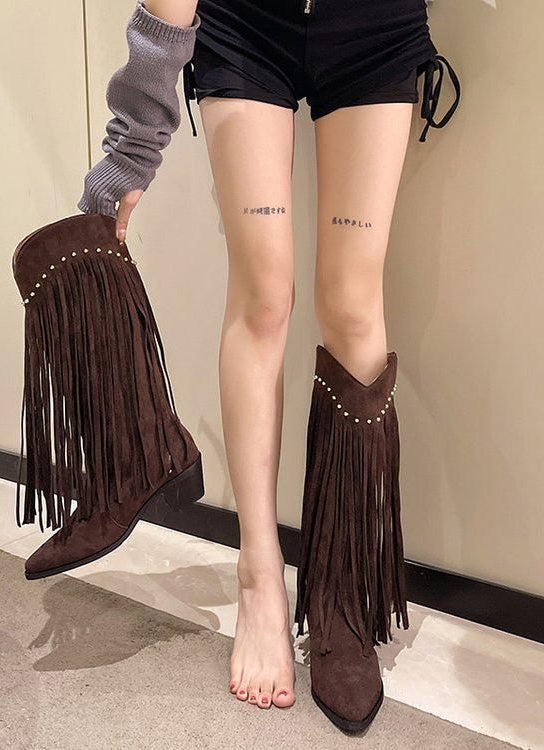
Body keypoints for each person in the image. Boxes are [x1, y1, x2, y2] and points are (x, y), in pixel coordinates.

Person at [77, 0, 461, 731]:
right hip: (245, 25)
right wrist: (133, 144)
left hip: (375, 27)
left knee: (352, 303)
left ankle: (344, 588)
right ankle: (258, 577)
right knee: (263, 296)